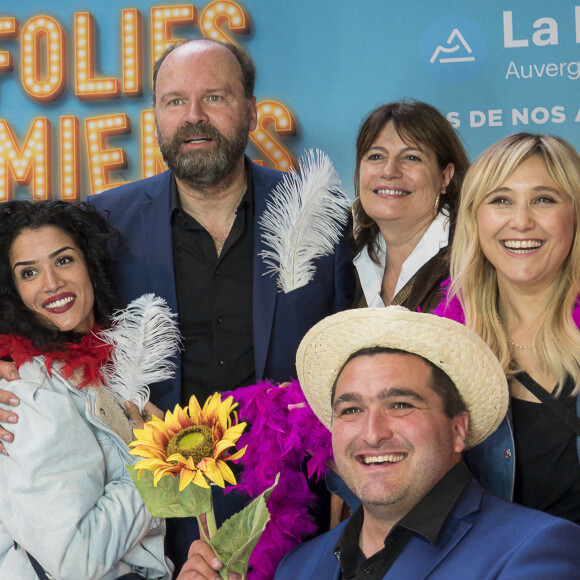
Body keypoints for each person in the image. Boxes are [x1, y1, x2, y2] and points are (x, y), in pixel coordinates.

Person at [0, 38, 354, 571]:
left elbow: (356, 353)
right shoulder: (103, 223)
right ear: (156, 117)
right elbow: (36, 306)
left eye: (215, 97)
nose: (194, 117)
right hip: (152, 521)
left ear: (251, 110)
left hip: (290, 509)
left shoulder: (319, 212)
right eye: (174, 101)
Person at [180, 307, 580, 579]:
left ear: (458, 429)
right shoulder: (298, 568)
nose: (372, 433)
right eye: (351, 410)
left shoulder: (536, 550)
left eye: (400, 404)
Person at [0, 200, 176, 579]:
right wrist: (156, 460)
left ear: (90, 265)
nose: (51, 283)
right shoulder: (29, 392)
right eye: (29, 272)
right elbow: (76, 563)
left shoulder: (108, 368)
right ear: (14, 291)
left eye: (63, 260)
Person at [433, 133, 580, 522]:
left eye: (544, 199)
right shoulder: (437, 350)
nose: (521, 221)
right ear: (474, 217)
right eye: (501, 200)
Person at [351, 100, 469, 311]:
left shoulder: (472, 259)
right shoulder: (343, 261)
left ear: (444, 177)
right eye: (376, 156)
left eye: (411, 157)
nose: (389, 171)